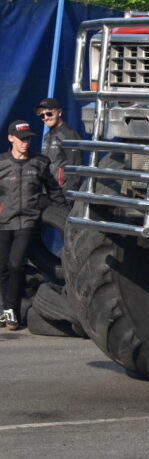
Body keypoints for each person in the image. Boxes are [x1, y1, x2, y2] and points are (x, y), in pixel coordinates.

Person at [0, 120, 68, 330]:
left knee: (16, 264)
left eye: (28, 138)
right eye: (22, 139)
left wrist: (64, 214)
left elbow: (54, 190)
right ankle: (4, 309)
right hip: (4, 222)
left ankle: (11, 311)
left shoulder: (40, 162)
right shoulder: (1, 163)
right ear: (11, 138)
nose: (25, 143)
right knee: (2, 268)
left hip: (28, 222)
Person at [36, 97, 81, 191]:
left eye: (49, 113)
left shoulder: (69, 134)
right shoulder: (47, 136)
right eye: (42, 115)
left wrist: (68, 195)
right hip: (48, 192)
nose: (46, 118)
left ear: (59, 112)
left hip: (62, 193)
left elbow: (75, 168)